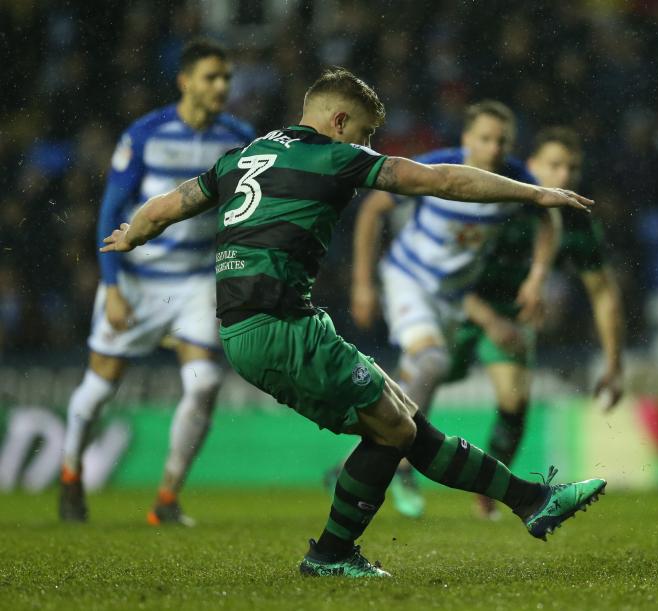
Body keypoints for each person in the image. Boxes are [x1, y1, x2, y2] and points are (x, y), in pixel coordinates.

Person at [99, 66, 606, 577]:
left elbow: (168, 205)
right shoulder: (334, 155)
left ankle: (532, 500)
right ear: (339, 120)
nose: (367, 144)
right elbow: (441, 179)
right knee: (392, 430)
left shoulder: (243, 157)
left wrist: (133, 235)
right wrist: (534, 193)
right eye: (364, 133)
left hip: (258, 325)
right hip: (279, 328)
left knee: (405, 418)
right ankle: (331, 554)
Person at [59, 40, 254, 525]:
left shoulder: (240, 137)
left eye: (227, 78)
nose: (222, 87)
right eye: (212, 77)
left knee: (205, 381)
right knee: (99, 390)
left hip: (193, 284)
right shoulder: (146, 133)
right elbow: (111, 209)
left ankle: (166, 498)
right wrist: (113, 286)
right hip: (139, 280)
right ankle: (69, 472)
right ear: (185, 81)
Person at [348, 101, 560, 517]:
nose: (494, 148)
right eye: (484, 138)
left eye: (502, 140)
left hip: (453, 298)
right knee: (432, 364)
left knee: (417, 377)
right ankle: (402, 466)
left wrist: (537, 278)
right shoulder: (440, 165)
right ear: (466, 140)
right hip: (409, 278)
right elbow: (374, 207)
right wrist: (362, 282)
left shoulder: (516, 177)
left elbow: (547, 219)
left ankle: (353, 464)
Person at [447, 127, 626, 519]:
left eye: (572, 168)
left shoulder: (576, 224)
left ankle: (488, 488)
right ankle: (362, 462)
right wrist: (489, 319)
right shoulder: (498, 201)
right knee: (416, 390)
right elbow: (445, 271)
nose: (564, 176)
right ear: (530, 167)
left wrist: (614, 362)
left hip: (510, 314)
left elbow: (603, 292)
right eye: (554, 165)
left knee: (514, 399)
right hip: (453, 306)